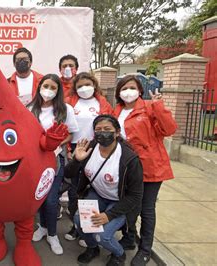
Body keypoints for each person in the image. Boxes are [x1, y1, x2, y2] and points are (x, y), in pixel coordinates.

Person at [112, 75, 177, 266]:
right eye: (124, 88)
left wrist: (158, 106)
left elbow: (169, 129)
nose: (128, 91)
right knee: (129, 205)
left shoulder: (149, 107)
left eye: (132, 87)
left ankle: (145, 249)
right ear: (119, 93)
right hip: (127, 168)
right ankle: (129, 238)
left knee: (146, 209)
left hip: (151, 166)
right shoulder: (117, 110)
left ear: (140, 90)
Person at [67, 115, 143, 266]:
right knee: (80, 221)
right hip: (97, 195)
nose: (103, 133)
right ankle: (92, 248)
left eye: (107, 129)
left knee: (103, 236)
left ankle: (119, 254)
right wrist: (77, 160)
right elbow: (68, 174)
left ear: (117, 132)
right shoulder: (89, 147)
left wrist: (109, 215)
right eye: (98, 130)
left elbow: (135, 195)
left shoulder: (129, 159)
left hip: (120, 201)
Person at [28, 74, 79, 255]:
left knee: (50, 200)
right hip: (34, 160)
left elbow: (71, 133)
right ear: (39, 87)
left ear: (58, 91)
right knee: (39, 197)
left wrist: (56, 144)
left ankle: (52, 234)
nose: (48, 90)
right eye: (45, 86)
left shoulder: (65, 110)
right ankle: (42, 227)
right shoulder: (30, 108)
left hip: (55, 158)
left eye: (53, 87)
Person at [63, 72, 113, 243]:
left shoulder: (102, 103)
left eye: (88, 84)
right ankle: (76, 227)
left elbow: (109, 127)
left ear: (94, 84)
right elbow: (64, 127)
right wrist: (68, 148)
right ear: (75, 89)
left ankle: (88, 231)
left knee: (91, 192)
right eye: (80, 86)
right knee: (74, 191)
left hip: (96, 150)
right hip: (76, 149)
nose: (84, 88)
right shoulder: (70, 102)